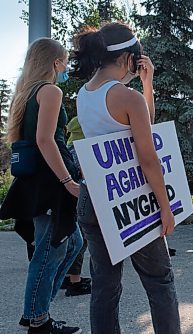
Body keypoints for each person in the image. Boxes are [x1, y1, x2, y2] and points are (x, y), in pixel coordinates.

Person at [73, 22, 180, 333]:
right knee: (160, 282)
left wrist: (145, 85)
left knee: (105, 289)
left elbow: (134, 127)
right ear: (127, 57)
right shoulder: (126, 97)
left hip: (93, 198)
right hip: (131, 202)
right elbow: (147, 157)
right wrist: (165, 205)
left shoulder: (83, 94)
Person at [0, 38, 83, 333]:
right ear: (54, 62)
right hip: (50, 181)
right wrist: (67, 181)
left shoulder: (25, 92)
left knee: (73, 241)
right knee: (51, 249)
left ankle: (37, 308)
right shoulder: (50, 90)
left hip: (37, 180)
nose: (67, 67)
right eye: (64, 61)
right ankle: (38, 319)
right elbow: (45, 140)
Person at [63, 117, 91, 296]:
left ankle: (67, 276)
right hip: (80, 198)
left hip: (68, 199)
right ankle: (75, 281)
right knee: (82, 239)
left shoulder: (70, 147)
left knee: (73, 239)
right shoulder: (83, 149)